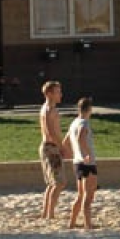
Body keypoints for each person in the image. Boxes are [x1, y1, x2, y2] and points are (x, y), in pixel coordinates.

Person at [38, 80, 69, 219]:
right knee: (59, 182)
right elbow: (51, 132)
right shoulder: (50, 109)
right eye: (57, 92)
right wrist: (62, 147)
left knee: (52, 183)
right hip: (51, 147)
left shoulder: (46, 108)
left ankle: (47, 213)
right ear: (49, 94)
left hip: (48, 147)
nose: (60, 94)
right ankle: (50, 214)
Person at [66, 96, 98, 229]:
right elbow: (80, 138)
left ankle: (72, 222)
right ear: (89, 109)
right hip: (87, 163)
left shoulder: (74, 122)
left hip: (77, 162)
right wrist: (87, 154)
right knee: (89, 195)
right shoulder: (84, 123)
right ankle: (88, 224)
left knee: (80, 195)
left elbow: (65, 141)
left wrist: (74, 153)